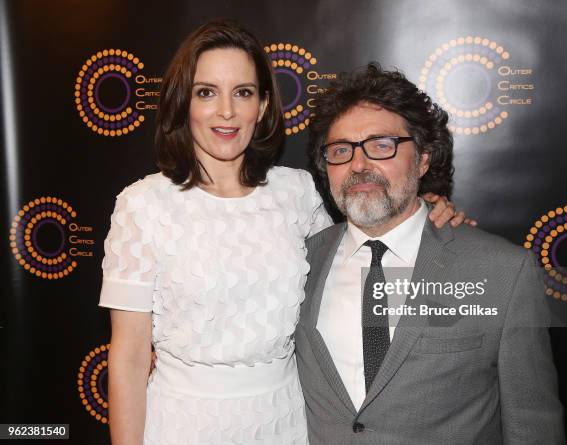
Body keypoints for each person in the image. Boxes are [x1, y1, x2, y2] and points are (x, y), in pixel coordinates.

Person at [99, 21, 469, 445]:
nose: (226, 111)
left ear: (261, 106)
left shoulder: (297, 192)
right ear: (184, 104)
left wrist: (427, 213)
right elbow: (128, 356)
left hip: (287, 420)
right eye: (206, 92)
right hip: (184, 422)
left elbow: (356, 262)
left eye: (243, 92)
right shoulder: (143, 205)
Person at [296, 63, 565, 444]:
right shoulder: (301, 263)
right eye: (341, 150)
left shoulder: (503, 272)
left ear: (423, 158)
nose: (359, 164)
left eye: (381, 145)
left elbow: (532, 422)